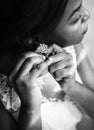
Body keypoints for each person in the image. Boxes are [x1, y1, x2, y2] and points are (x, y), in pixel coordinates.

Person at [0, 0, 94, 130]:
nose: (87, 14)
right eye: (76, 18)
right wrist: (30, 110)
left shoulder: (72, 48)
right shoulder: (4, 93)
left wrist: (73, 86)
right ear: (32, 38)